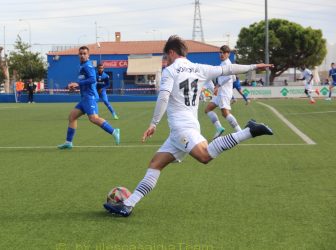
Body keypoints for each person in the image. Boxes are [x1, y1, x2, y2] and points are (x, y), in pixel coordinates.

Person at [103, 35, 274, 217]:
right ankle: (127, 205)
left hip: (181, 128)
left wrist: (154, 123)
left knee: (205, 155)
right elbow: (229, 68)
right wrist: (254, 66)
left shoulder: (170, 71)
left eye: (165, 57)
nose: (165, 60)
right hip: (186, 128)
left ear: (171, 52)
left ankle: (250, 131)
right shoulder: (198, 68)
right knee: (155, 164)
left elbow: (163, 97)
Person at [57, 46, 120, 150]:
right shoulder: (81, 66)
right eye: (80, 53)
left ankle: (114, 131)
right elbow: (85, 82)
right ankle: (68, 143)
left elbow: (92, 79)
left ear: (88, 55)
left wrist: (77, 83)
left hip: (90, 97)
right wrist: (75, 86)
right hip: (84, 98)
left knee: (94, 118)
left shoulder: (87, 66)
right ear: (78, 55)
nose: (82, 55)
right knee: (72, 117)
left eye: (84, 53)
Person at [204, 45, 242, 139]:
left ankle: (240, 132)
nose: (221, 54)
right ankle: (219, 128)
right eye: (220, 52)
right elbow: (233, 78)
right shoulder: (224, 63)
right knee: (207, 109)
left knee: (225, 113)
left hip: (224, 92)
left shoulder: (227, 64)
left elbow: (229, 77)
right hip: (222, 92)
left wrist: (218, 86)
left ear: (228, 54)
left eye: (223, 53)